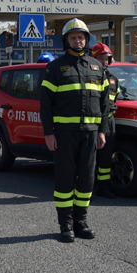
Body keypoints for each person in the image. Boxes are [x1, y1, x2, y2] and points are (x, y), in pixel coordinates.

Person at [40, 19, 108, 243]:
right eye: (73, 37)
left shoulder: (97, 67)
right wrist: (48, 133)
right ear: (66, 40)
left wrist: (102, 131)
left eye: (81, 37)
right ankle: (65, 225)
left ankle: (81, 222)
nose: (77, 41)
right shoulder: (55, 67)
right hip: (64, 134)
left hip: (90, 132)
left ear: (86, 40)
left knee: (87, 179)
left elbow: (106, 104)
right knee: (64, 179)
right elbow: (46, 104)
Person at [90, 43, 119, 199]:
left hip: (108, 122)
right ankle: (84, 188)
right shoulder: (89, 77)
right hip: (92, 122)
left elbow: (115, 99)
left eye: (106, 58)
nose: (104, 62)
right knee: (88, 158)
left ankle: (103, 187)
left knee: (106, 158)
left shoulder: (113, 79)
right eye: (100, 58)